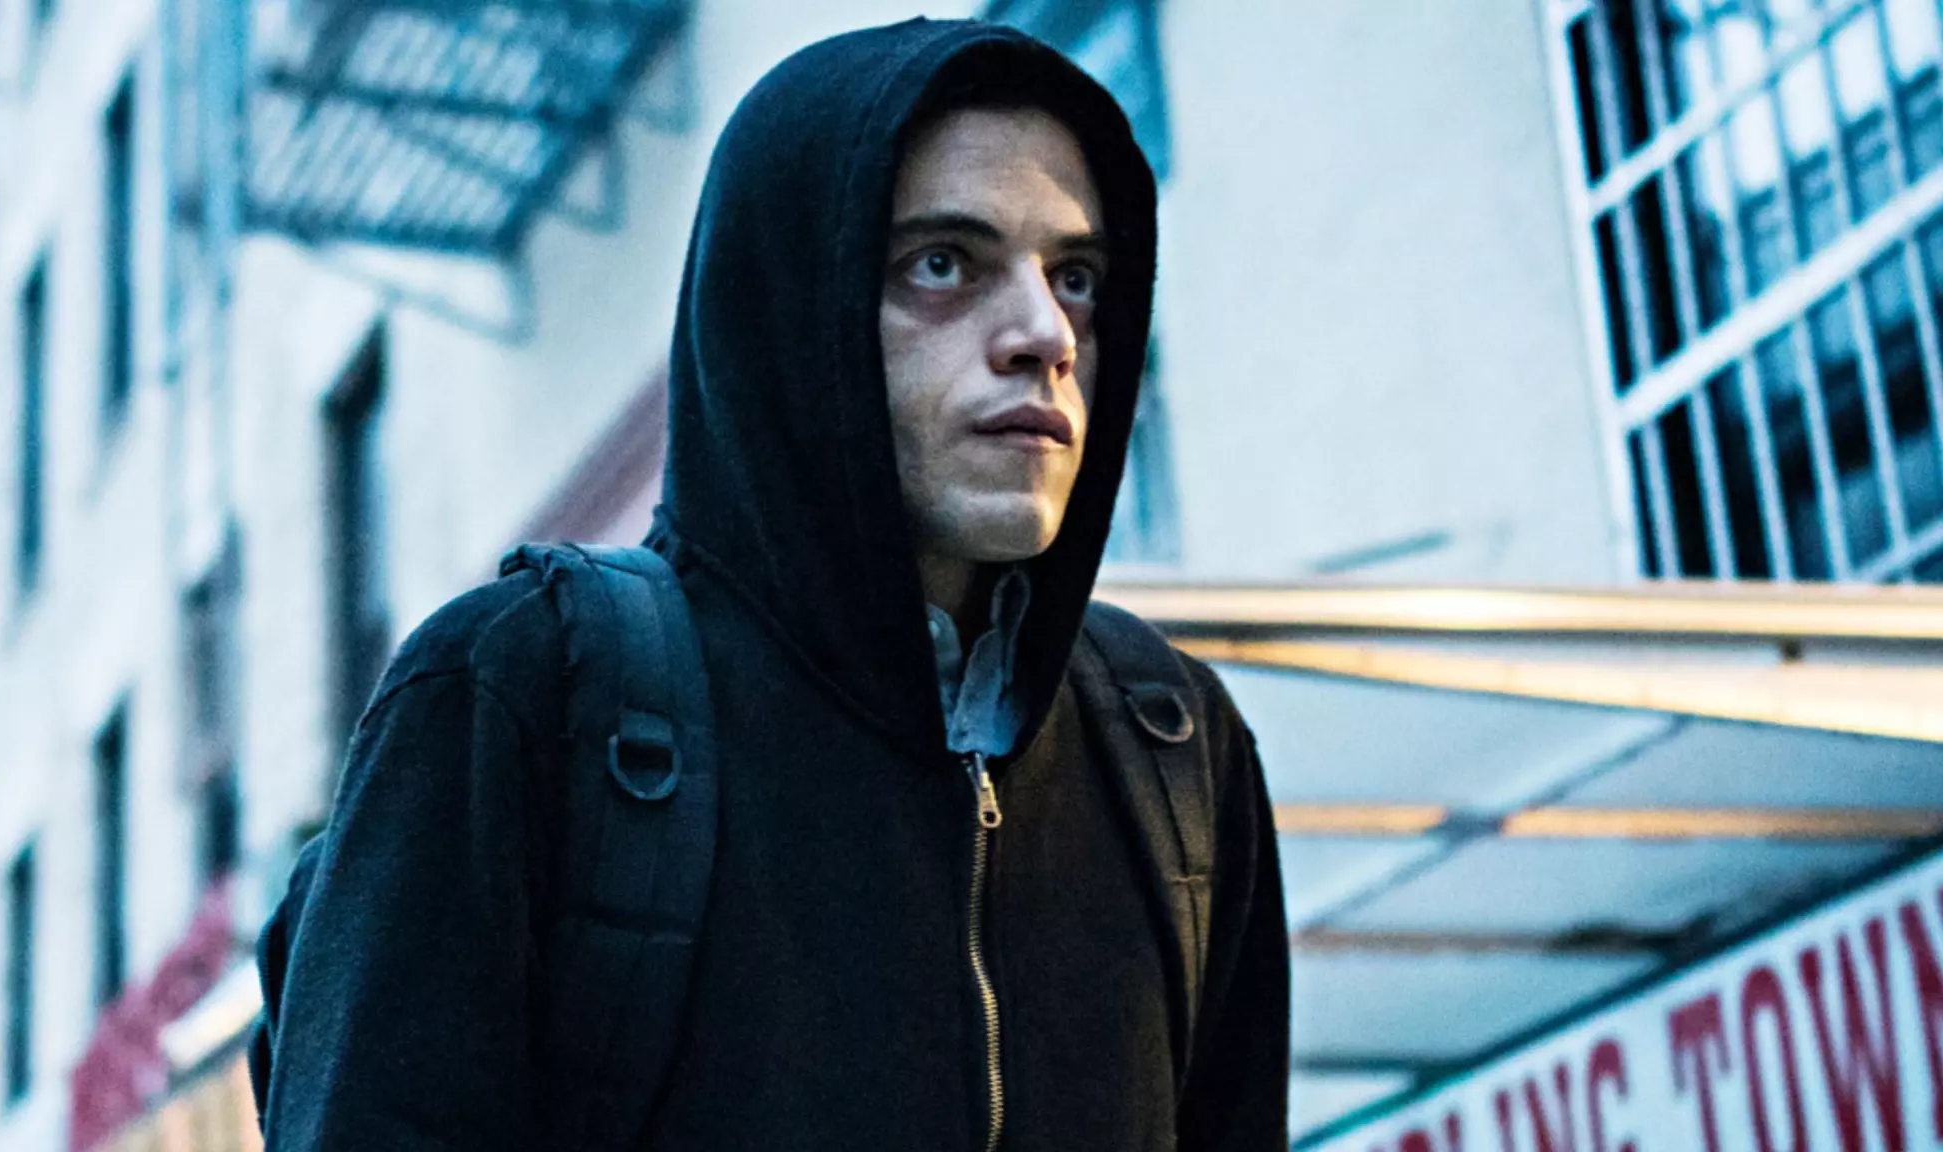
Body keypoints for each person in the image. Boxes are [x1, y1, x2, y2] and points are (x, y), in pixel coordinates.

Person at [257, 17, 1288, 1151]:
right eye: (943, 264)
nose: (1045, 335)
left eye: (1077, 277)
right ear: (790, 306)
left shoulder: (1173, 746)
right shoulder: (523, 695)